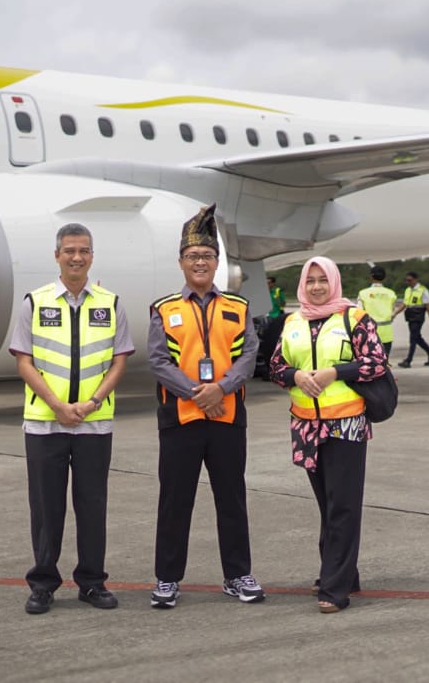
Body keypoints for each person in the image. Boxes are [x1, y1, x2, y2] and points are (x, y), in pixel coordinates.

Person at [9, 222, 134, 615]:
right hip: (45, 424)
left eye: (83, 251)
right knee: (46, 508)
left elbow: (119, 361)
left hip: (94, 425)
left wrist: (93, 402)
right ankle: (43, 583)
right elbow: (24, 362)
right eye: (69, 251)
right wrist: (58, 406)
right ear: (57, 256)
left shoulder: (110, 304)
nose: (76, 257)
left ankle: (92, 582)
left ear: (92, 256)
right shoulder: (36, 301)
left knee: (92, 504)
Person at [147, 203, 264, 609]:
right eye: (193, 256)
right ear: (181, 262)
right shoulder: (164, 308)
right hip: (180, 418)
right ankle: (166, 579)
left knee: (231, 499)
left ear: (217, 262)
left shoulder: (238, 306)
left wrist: (221, 389)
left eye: (207, 256)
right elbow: (159, 360)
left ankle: (237, 575)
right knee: (175, 501)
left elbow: (249, 355)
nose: (200, 262)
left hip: (227, 418)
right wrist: (199, 393)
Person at [270, 256, 388, 613]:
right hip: (306, 425)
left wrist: (335, 372)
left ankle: (335, 587)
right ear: (302, 285)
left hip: (346, 425)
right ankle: (343, 572)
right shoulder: (293, 321)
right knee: (327, 504)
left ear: (334, 282)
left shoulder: (354, 317)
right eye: (311, 280)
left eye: (323, 280)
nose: (317, 286)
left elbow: (376, 362)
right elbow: (276, 365)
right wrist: (295, 377)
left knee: (343, 506)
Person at [393, 271, 429, 368]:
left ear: (416, 280)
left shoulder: (423, 290)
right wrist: (395, 313)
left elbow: (427, 305)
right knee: (417, 338)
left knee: (413, 338)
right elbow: (404, 304)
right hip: (410, 315)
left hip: (418, 315)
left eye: (410, 280)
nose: (408, 282)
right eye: (407, 280)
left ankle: (408, 360)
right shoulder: (408, 290)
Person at [356, 266, 397, 358]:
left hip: (370, 333)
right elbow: (393, 313)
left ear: (371, 277)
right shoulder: (391, 293)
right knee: (385, 361)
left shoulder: (363, 293)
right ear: (384, 277)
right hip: (387, 333)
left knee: (372, 362)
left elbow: (359, 313)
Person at [256, 276, 288, 379]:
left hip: (275, 316)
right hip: (266, 316)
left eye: (269, 283)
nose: (267, 285)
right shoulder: (264, 293)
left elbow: (283, 302)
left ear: (273, 283)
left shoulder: (277, 291)